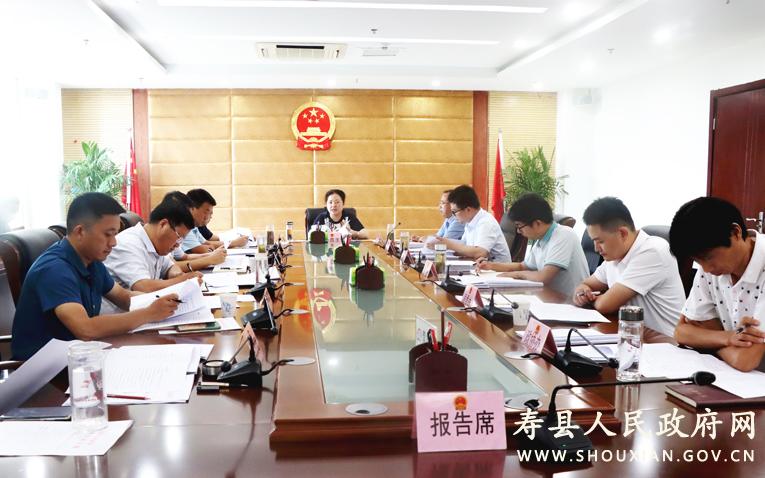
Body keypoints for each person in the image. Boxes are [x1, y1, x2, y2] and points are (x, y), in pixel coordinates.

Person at [11, 193, 179, 360]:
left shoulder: (91, 260)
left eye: (115, 234)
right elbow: (86, 329)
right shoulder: (54, 269)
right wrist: (149, 313)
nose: (114, 242)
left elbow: (124, 297)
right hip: (45, 368)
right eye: (108, 234)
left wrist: (162, 302)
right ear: (80, 231)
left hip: (81, 355)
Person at [670, 197, 765, 372]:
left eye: (708, 257)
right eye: (698, 261)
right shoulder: (713, 269)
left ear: (735, 232)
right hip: (733, 377)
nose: (706, 268)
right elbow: (681, 332)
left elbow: (745, 360)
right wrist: (728, 338)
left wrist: (707, 339)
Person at [573, 197, 685, 337]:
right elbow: (587, 284)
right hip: (632, 334)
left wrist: (591, 299)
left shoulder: (652, 251)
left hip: (664, 341)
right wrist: (581, 292)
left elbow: (605, 305)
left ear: (623, 233)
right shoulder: (614, 255)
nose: (596, 248)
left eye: (600, 241)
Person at [103, 198, 203, 313]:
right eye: (179, 237)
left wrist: (177, 275)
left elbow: (170, 266)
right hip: (121, 318)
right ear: (163, 225)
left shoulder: (156, 244)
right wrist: (184, 280)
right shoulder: (128, 243)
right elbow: (144, 287)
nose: (178, 244)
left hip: (143, 314)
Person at [478, 193, 588, 296]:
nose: (518, 232)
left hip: (570, 302)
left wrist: (516, 275)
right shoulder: (542, 239)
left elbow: (543, 277)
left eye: (519, 226)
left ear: (537, 223)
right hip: (549, 298)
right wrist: (490, 266)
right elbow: (522, 266)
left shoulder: (564, 235)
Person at [432, 185, 512, 262]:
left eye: (454, 212)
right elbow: (464, 245)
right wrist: (444, 243)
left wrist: (449, 245)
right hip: (479, 267)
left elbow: (480, 252)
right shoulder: (469, 221)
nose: (453, 216)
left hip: (496, 270)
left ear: (468, 210)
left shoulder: (486, 222)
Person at [160, 190, 226, 272]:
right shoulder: (168, 231)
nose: (178, 244)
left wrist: (211, 255)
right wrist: (209, 260)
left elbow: (184, 257)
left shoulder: (183, 227)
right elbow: (172, 266)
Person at [183, 188, 248, 251]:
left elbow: (206, 244)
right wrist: (234, 243)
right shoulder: (184, 226)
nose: (208, 217)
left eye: (210, 213)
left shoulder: (194, 227)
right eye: (206, 212)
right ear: (192, 208)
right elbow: (201, 249)